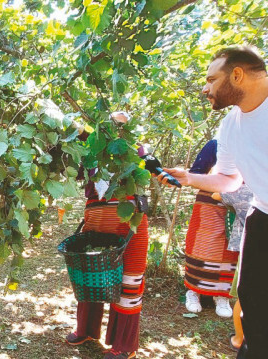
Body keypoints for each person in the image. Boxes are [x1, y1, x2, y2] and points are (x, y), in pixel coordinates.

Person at [161, 46, 268, 359]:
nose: (205, 87)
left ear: (237, 75)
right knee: (252, 299)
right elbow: (228, 179)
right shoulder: (230, 125)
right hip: (261, 214)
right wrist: (188, 177)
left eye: (211, 79)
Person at [65, 112, 150, 359]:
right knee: (90, 274)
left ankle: (124, 345)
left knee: (129, 279)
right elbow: (75, 166)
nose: (116, 130)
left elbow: (148, 167)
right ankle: (87, 329)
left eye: (122, 126)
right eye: (111, 125)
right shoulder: (92, 149)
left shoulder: (137, 149)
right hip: (96, 220)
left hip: (129, 223)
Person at [181, 140, 237, 318]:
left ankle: (222, 296)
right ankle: (193, 291)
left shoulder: (251, 143)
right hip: (209, 202)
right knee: (202, 245)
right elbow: (196, 173)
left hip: (237, 203)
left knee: (230, 248)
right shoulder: (216, 144)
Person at [214, 183, 252, 351]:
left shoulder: (247, 189)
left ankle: (238, 339)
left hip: (251, 248)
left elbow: (216, 193)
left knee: (244, 297)